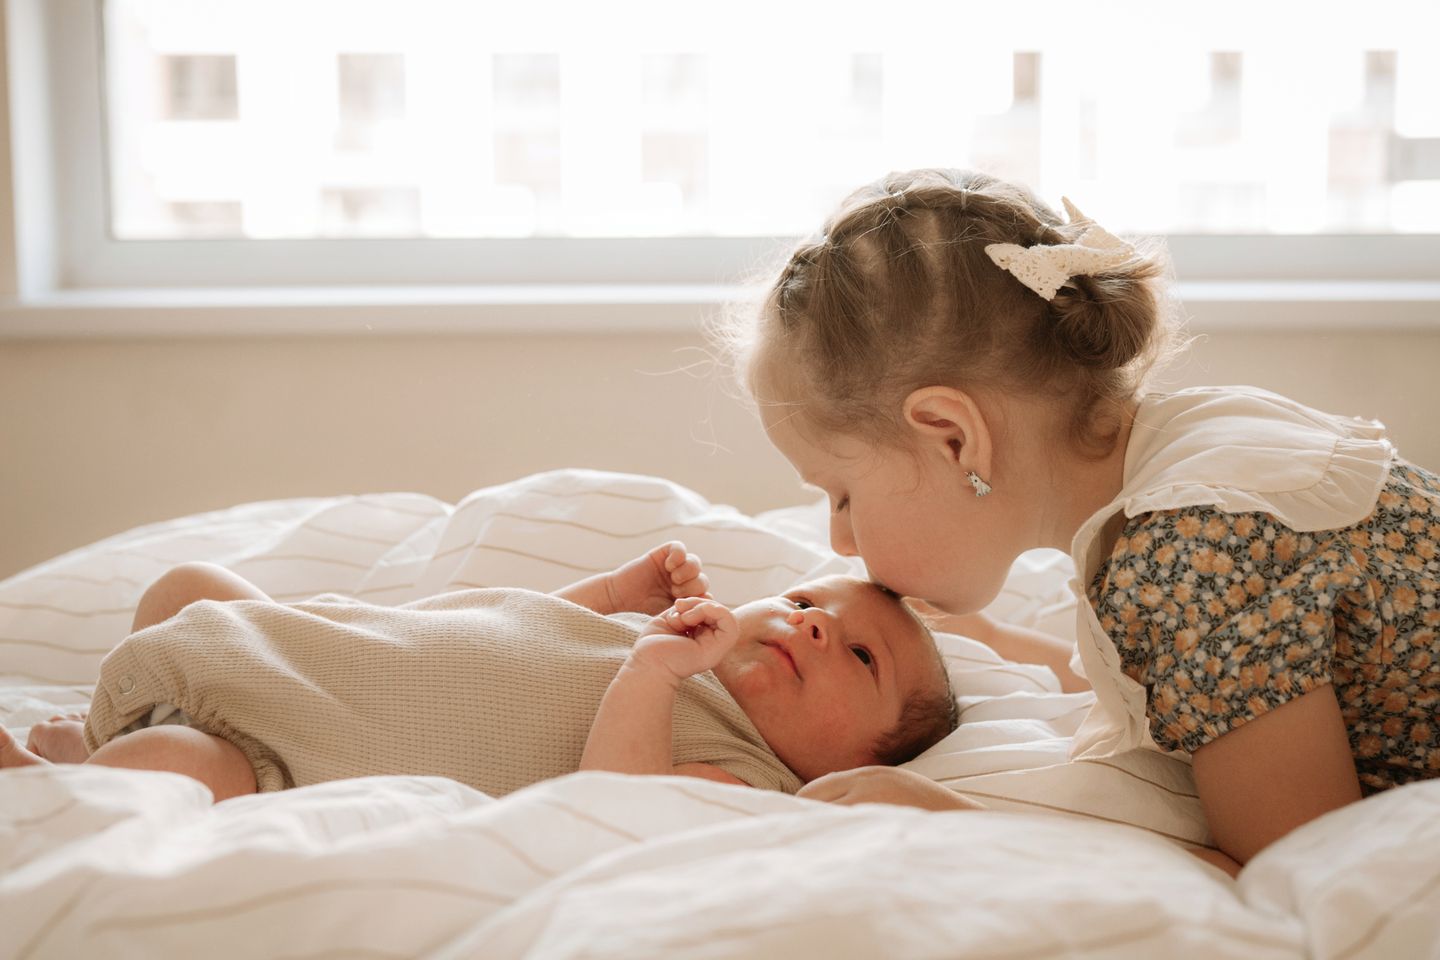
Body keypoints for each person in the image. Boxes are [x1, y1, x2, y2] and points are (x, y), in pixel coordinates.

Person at [720, 167, 1440, 877]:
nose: (840, 541)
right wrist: (997, 641)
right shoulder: (1197, 449)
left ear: (953, 438)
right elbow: (1182, 683)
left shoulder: (1184, 559)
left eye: (842, 495)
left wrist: (961, 825)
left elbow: (1293, 876)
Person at [0, 542, 958, 801]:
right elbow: (524, 631)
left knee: (180, 765)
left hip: (294, 749)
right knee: (187, 589)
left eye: (860, 654)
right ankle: (105, 734)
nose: (814, 624)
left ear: (855, 760)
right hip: (311, 656)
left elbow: (613, 802)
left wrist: (655, 674)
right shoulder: (673, 644)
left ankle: (59, 783)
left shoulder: (741, 775)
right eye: (805, 599)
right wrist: (614, 594)